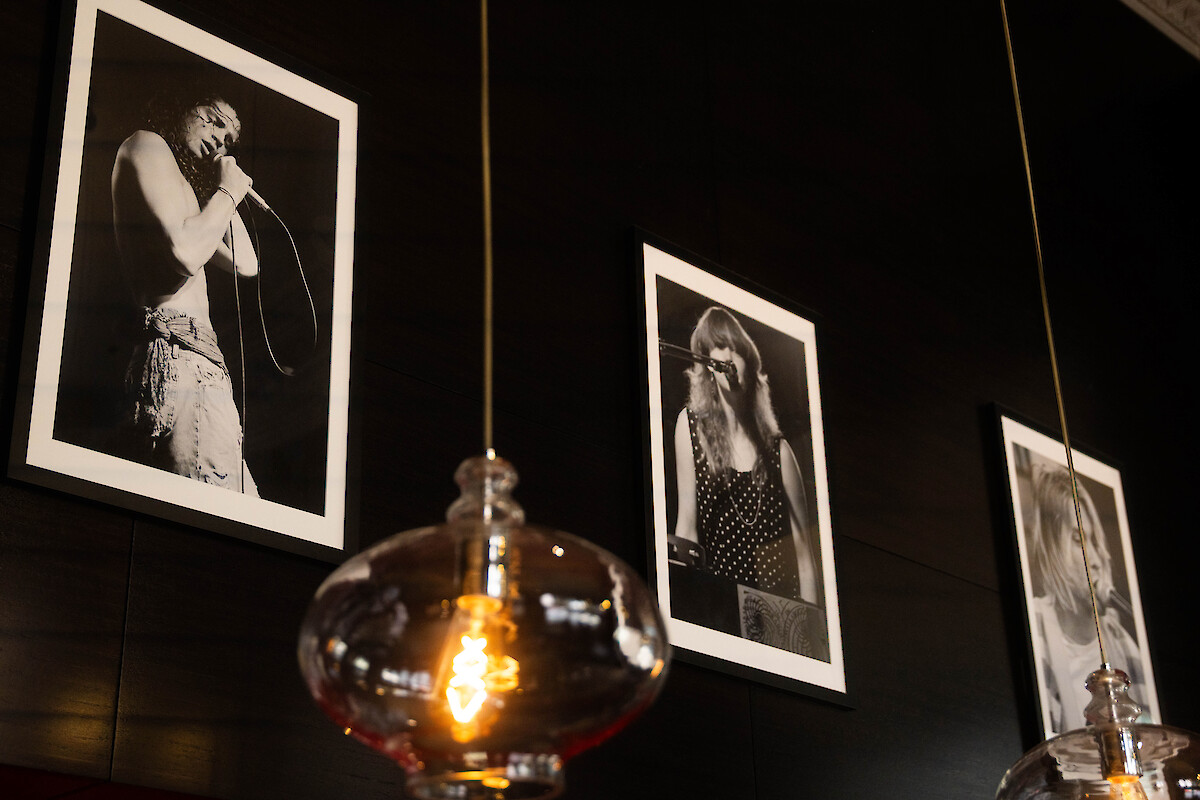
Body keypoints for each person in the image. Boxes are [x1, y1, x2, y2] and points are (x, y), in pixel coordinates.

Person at [110, 90, 260, 494]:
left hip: (194, 360)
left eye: (230, 138)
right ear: (184, 106)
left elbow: (247, 264)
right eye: (214, 119)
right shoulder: (147, 143)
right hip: (180, 354)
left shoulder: (189, 198)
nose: (220, 137)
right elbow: (186, 253)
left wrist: (224, 190)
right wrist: (227, 194)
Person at [672, 307, 819, 606]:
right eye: (718, 346)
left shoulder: (779, 452)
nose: (727, 355)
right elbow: (686, 526)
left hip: (778, 611)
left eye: (734, 347)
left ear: (749, 362)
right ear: (708, 364)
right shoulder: (690, 427)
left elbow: (804, 558)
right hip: (720, 603)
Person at [1026, 461, 1144, 733]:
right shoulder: (1038, 635)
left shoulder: (1123, 644)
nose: (1097, 558)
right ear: (1050, 547)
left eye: (1096, 542)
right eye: (1079, 540)